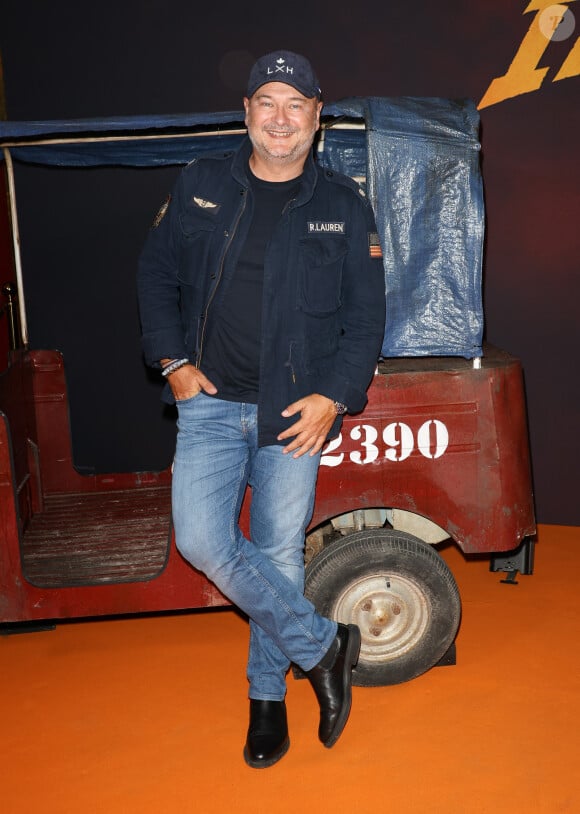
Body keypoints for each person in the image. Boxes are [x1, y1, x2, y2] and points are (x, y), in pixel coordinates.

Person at [137, 50, 386, 768]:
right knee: (202, 542)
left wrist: (335, 398)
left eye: (295, 104)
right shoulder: (200, 183)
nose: (280, 118)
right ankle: (324, 646)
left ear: (316, 116)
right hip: (210, 405)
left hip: (291, 413)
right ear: (246, 113)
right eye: (266, 102)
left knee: (276, 557)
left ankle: (266, 699)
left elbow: (366, 321)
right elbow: (154, 275)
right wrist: (173, 363)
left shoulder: (343, 205)